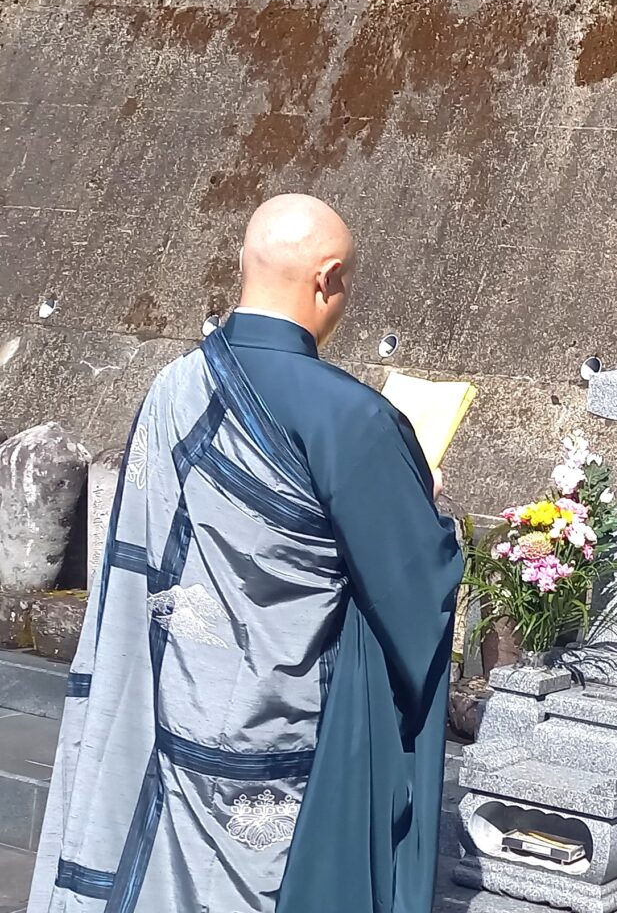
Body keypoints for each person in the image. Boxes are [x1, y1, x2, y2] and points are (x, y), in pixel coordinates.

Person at [28, 194, 464, 913]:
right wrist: (421, 496)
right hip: (281, 746)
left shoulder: (171, 387)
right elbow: (416, 592)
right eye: (346, 285)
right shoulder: (351, 417)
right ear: (327, 279)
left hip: (172, 708)